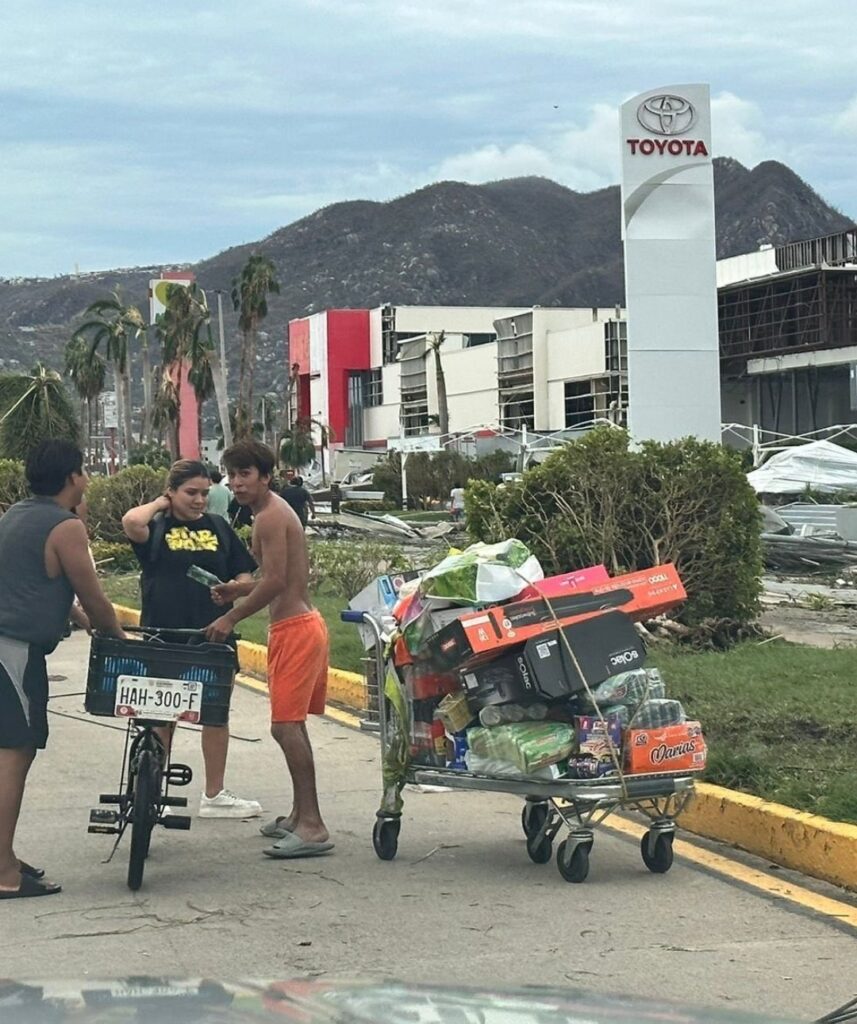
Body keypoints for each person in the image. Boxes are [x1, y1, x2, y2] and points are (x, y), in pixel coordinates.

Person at [0, 440, 126, 899]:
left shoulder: (17, 514)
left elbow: (39, 581)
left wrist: (79, 619)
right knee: (14, 754)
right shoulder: (65, 526)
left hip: (9, 647)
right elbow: (91, 593)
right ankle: (3, 873)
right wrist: (115, 633)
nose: (88, 480)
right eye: (84, 473)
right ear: (72, 477)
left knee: (12, 752)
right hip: (13, 651)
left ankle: (5, 857)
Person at [205, 440, 332, 859]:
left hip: (296, 627)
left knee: (285, 727)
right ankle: (299, 815)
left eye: (245, 474)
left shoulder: (271, 516)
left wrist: (231, 617)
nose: (237, 483)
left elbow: (277, 582)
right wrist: (237, 588)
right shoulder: (268, 512)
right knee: (292, 724)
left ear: (265, 477)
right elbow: (279, 574)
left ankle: (312, 825)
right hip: (293, 625)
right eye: (232, 474)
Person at [121, 460, 262, 819]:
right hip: (163, 633)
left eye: (204, 493)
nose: (199, 500)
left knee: (214, 712)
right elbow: (130, 522)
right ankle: (151, 788)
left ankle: (214, 794)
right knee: (160, 715)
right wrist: (160, 505)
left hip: (212, 633)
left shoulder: (218, 526)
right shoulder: (156, 525)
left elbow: (243, 570)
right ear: (171, 492)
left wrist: (236, 589)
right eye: (190, 493)